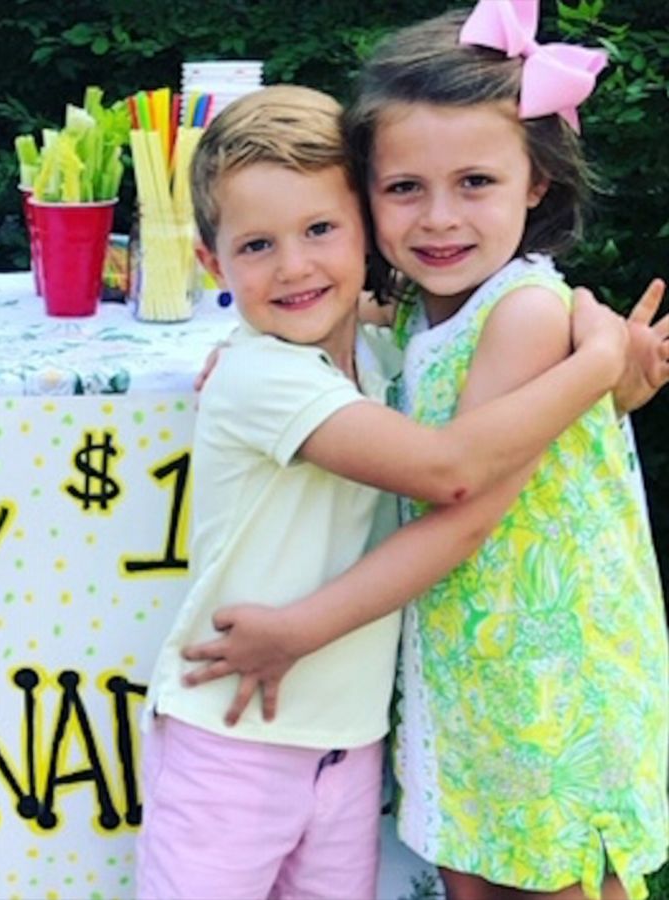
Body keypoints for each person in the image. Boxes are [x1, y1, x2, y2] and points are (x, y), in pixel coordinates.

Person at [179, 5, 669, 899]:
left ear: (535, 182)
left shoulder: (525, 314)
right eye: (404, 189)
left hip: (551, 672)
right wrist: (288, 328)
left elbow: (459, 494)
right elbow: (383, 335)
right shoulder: (417, 310)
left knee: (556, 878)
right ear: (366, 196)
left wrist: (601, 363)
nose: (439, 218)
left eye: (475, 181)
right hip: (467, 665)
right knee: (472, 873)